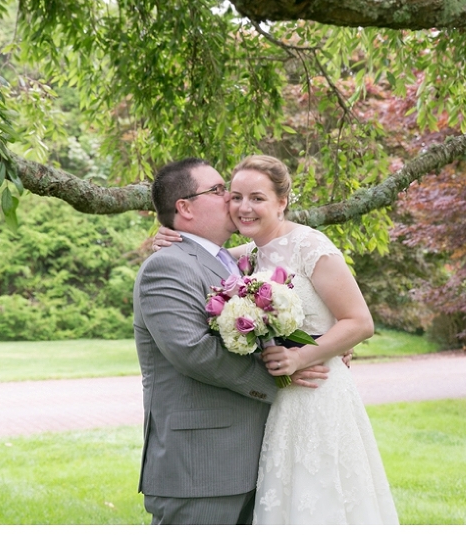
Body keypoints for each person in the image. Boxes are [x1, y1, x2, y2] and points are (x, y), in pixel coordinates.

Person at [154, 155, 399, 524]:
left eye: (257, 198)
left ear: (282, 201)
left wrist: (304, 357)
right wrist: (166, 236)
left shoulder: (310, 246)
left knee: (320, 498)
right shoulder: (247, 255)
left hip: (317, 393)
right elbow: (195, 256)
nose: (243, 207)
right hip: (279, 402)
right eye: (234, 196)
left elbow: (360, 322)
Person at [133, 158, 329, 525]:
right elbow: (193, 351)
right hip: (201, 467)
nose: (231, 200)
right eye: (220, 190)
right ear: (185, 208)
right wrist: (279, 378)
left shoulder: (238, 262)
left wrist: (320, 344)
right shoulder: (167, 265)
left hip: (254, 459)